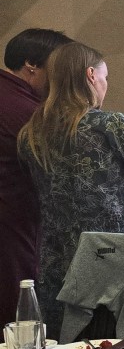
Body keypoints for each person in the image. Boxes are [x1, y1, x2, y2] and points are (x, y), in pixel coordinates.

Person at [16, 41, 124, 336]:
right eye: (105, 76)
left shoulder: (30, 134)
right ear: (91, 75)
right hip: (119, 264)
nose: (106, 85)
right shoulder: (111, 124)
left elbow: (76, 178)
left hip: (63, 266)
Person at [0, 27, 71, 324]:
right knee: (18, 313)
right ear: (32, 65)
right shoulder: (27, 111)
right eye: (57, 68)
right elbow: (66, 164)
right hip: (13, 224)